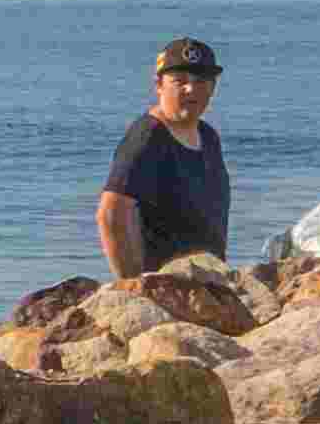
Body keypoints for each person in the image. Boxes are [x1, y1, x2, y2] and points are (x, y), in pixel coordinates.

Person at [97, 41, 229, 279]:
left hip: (207, 285)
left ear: (213, 87)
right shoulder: (148, 137)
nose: (191, 89)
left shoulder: (208, 136)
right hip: (165, 289)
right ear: (159, 85)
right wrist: (134, 285)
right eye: (180, 81)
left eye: (201, 81)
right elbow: (110, 214)